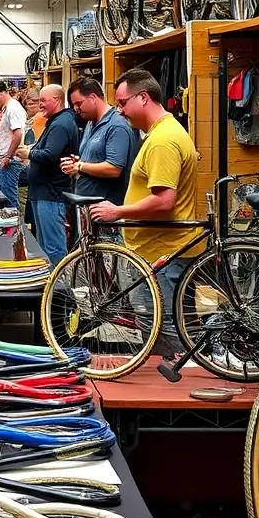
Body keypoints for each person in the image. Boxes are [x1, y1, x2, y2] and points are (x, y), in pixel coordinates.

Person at [89, 69, 198, 357]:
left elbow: (164, 201)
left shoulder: (163, 140)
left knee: (165, 326)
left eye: (123, 102)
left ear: (143, 98)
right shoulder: (161, 133)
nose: (119, 110)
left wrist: (118, 211)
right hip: (159, 249)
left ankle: (181, 376)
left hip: (163, 251)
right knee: (166, 324)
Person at [16, 85, 80, 266]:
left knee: (53, 248)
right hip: (44, 193)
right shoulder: (56, 121)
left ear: (57, 100)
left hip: (51, 194)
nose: (40, 105)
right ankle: (51, 281)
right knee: (45, 247)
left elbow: (51, 155)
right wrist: (32, 149)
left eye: (43, 101)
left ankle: (60, 282)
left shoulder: (60, 124)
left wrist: (29, 153)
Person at [63, 77, 140, 208]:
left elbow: (114, 169)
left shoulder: (116, 126)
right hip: (88, 207)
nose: (76, 109)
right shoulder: (90, 123)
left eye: (79, 104)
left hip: (107, 209)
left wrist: (80, 166)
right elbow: (93, 159)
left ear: (93, 98)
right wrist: (76, 163)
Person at [0, 81, 26, 208]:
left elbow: (18, 133)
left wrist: (8, 156)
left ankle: (13, 220)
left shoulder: (13, 108)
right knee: (6, 196)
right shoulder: (8, 108)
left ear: (2, 93)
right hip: (6, 159)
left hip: (10, 161)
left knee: (9, 198)